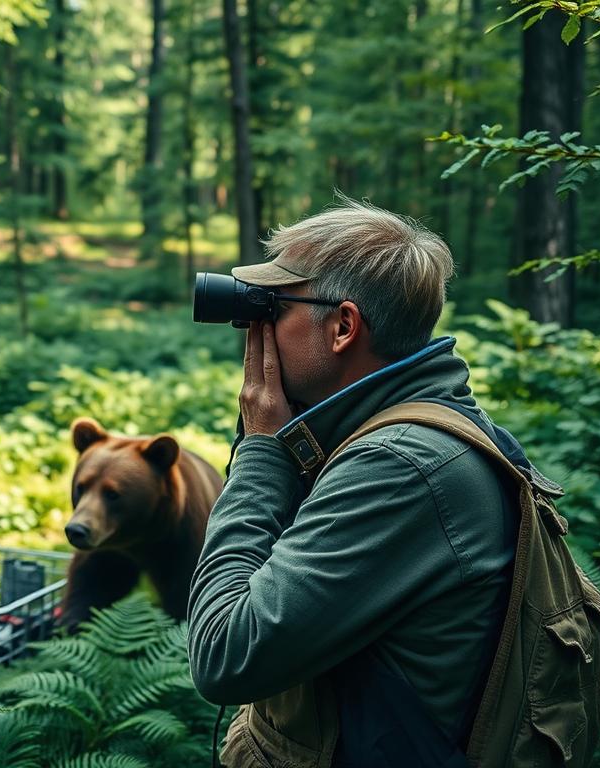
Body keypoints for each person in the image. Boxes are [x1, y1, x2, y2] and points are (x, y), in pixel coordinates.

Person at [186, 198, 519, 767]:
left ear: (343, 327)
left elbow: (224, 653)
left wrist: (263, 452)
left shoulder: (402, 468)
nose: (254, 327)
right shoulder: (415, 426)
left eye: (272, 307)